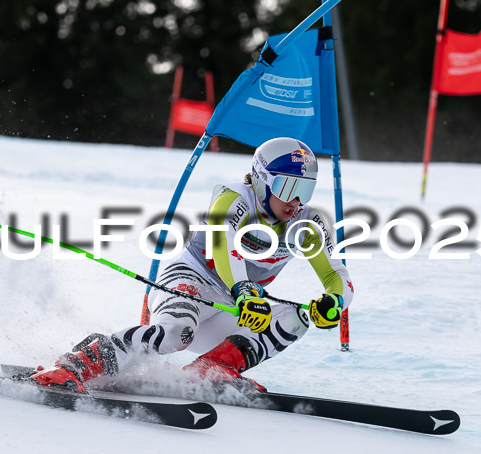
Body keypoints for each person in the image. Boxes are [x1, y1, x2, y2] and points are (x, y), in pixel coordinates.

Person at [29, 137, 354, 393]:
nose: (295, 201)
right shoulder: (233, 198)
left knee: (296, 319)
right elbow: (223, 246)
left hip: (238, 303)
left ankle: (211, 369)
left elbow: (335, 273)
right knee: (175, 334)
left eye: (305, 189)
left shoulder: (307, 222)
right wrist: (244, 290)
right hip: (191, 282)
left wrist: (334, 301)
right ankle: (74, 365)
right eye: (287, 187)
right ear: (260, 180)